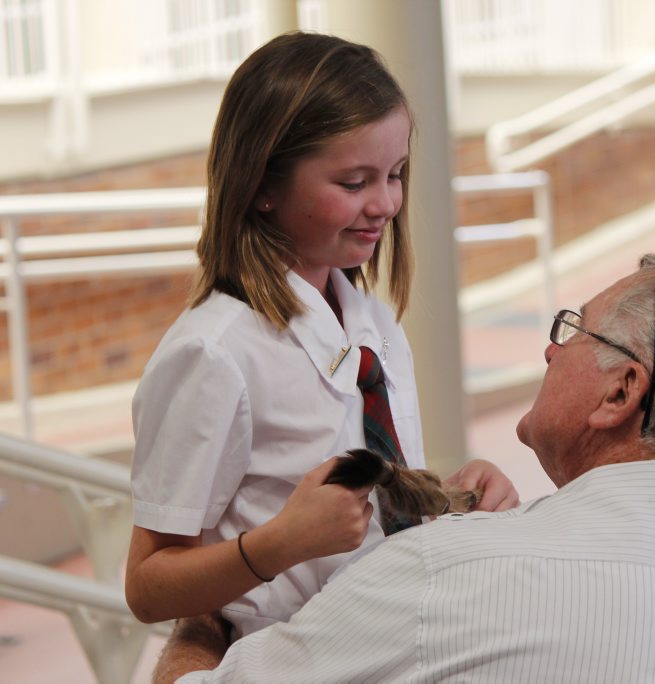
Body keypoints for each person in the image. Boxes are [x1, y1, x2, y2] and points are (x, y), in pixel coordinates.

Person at [168, 254, 655, 683]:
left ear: (620, 393)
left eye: (574, 332)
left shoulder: (443, 574)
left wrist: (205, 617)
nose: (549, 352)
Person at [125, 30, 518, 646]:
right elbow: (148, 587)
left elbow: (361, 511)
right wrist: (280, 543)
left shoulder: (370, 322)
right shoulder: (213, 353)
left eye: (396, 174)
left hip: (391, 636)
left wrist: (447, 496)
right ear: (262, 186)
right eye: (354, 182)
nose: (386, 203)